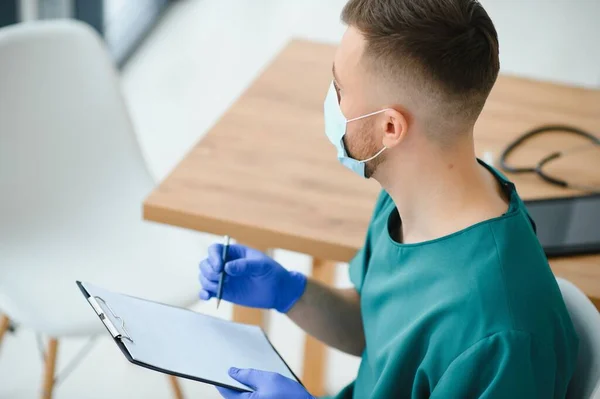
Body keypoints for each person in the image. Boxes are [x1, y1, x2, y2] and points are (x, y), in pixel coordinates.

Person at [199, 0, 579, 397]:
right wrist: (290, 292)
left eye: (340, 89)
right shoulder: (411, 199)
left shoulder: (499, 334)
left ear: (391, 127)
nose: (331, 101)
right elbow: (378, 333)